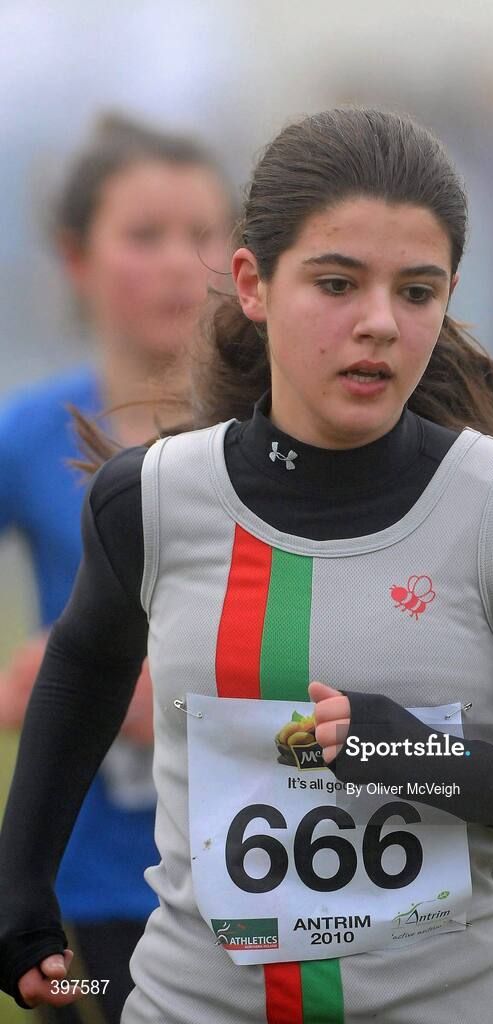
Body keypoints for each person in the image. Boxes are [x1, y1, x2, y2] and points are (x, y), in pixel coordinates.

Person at [0, 108, 493, 1023]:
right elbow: (83, 669)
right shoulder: (148, 499)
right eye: (335, 282)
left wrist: (413, 757)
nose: (378, 324)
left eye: (416, 291)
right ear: (252, 283)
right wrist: (23, 889)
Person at [0, 112, 233, 1022]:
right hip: (87, 896)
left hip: (259, 874)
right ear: (76, 256)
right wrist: (23, 688)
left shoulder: (283, 437)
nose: (181, 262)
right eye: (145, 235)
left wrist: (178, 700)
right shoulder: (30, 433)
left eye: (204, 233)